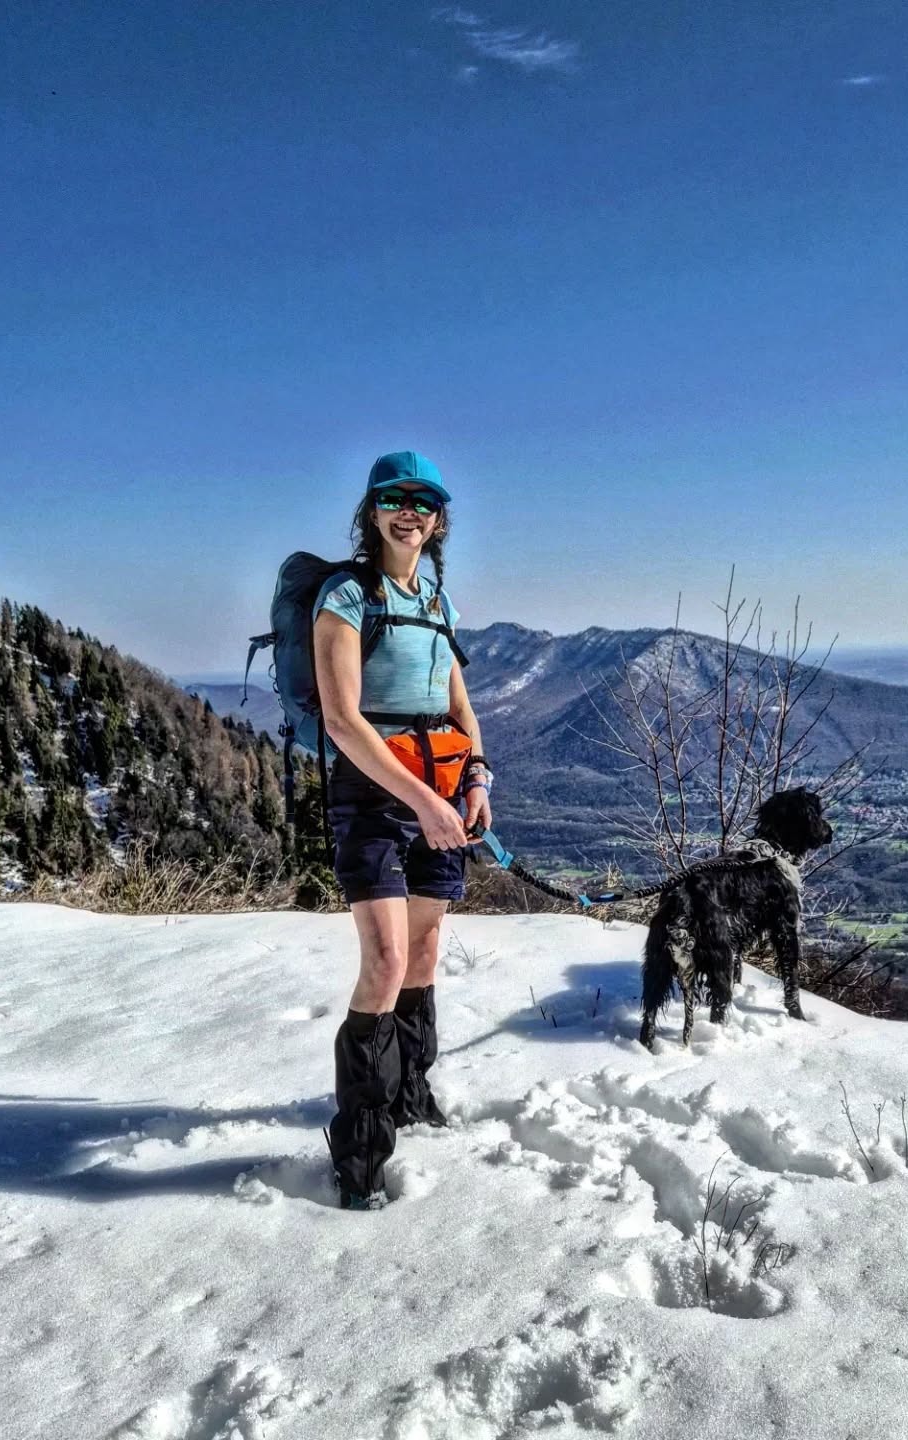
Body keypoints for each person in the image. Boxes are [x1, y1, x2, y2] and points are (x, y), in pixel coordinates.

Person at [314, 450, 492, 1210]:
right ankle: (360, 1150)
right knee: (385, 964)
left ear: (439, 518)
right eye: (393, 498)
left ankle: (411, 1095)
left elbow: (460, 706)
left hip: (441, 789)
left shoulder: (437, 602)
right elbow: (342, 719)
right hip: (375, 792)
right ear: (372, 510)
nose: (408, 510)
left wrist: (476, 774)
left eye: (423, 501)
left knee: (422, 956)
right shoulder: (346, 595)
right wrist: (421, 799)